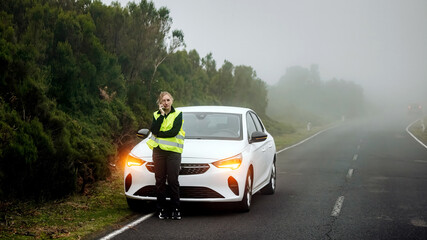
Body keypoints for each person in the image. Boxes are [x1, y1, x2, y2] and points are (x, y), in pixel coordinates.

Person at [146, 91, 185, 220]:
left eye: (168, 100)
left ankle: (176, 209)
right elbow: (154, 130)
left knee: (173, 181)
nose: (166, 102)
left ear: (172, 101)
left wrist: (159, 134)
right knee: (160, 180)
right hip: (159, 152)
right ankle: (161, 209)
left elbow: (174, 132)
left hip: (173, 152)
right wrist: (162, 115)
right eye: (163, 100)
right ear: (160, 102)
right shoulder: (156, 115)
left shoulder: (178, 114)